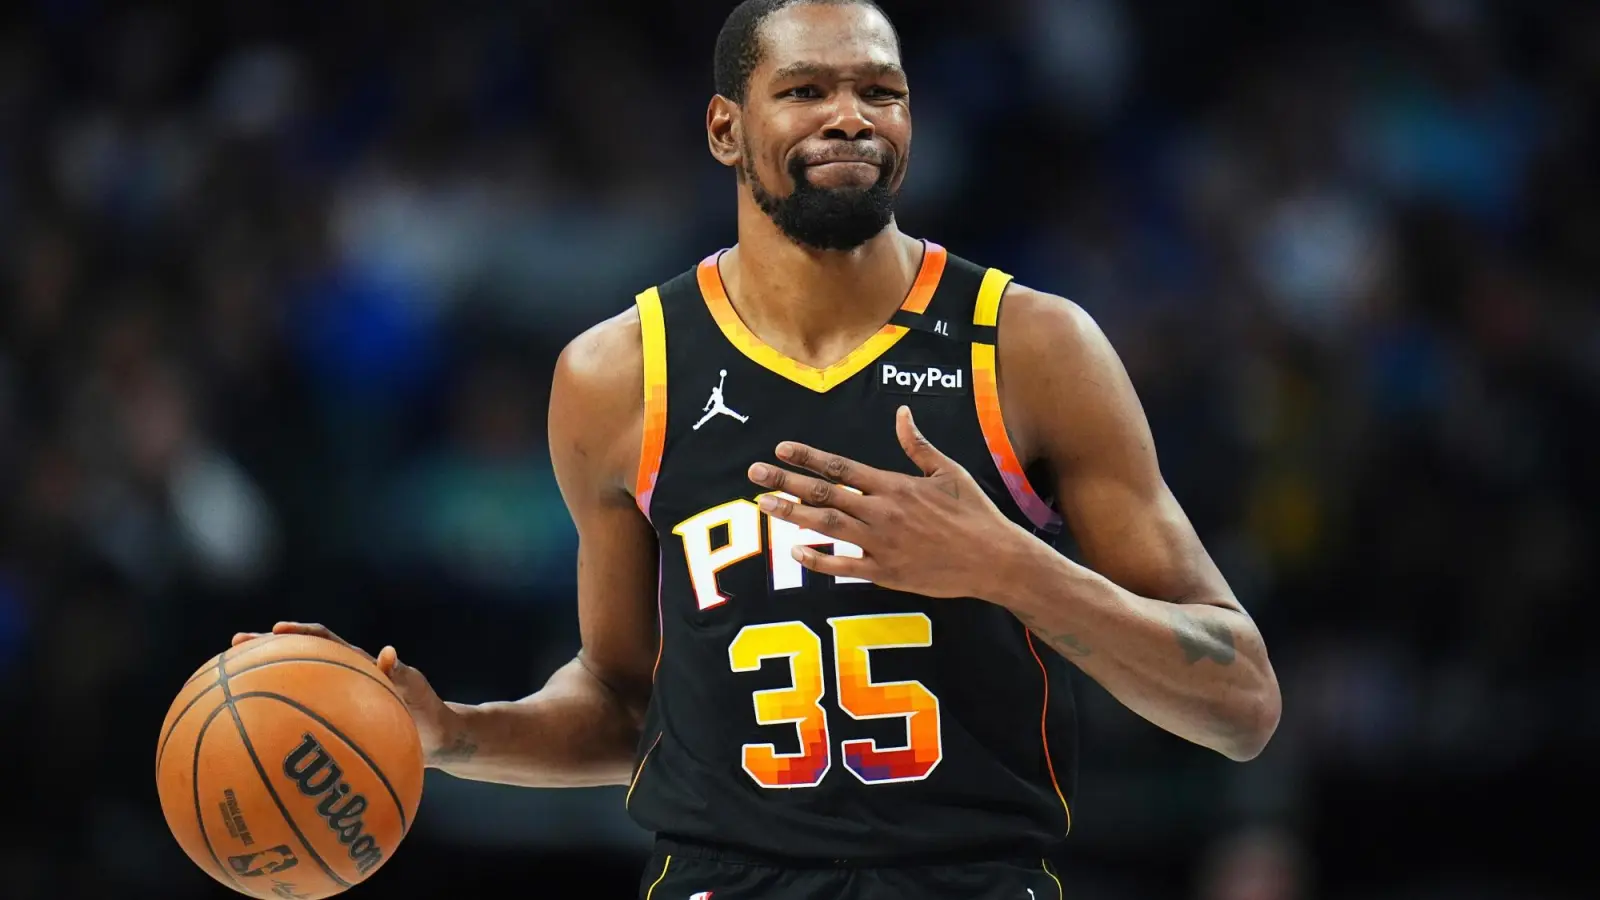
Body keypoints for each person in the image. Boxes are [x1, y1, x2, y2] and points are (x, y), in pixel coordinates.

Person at [237, 0, 1282, 896]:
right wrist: (453, 733)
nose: (849, 117)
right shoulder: (615, 377)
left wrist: (1010, 567)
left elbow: (1240, 703)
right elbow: (624, 704)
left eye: (881, 90)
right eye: (806, 90)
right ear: (725, 129)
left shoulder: (1030, 348)